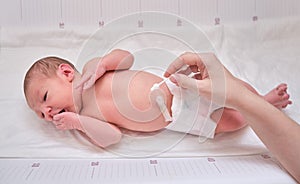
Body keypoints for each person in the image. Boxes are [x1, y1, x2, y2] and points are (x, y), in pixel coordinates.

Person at [23, 49, 291, 148]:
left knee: (232, 87)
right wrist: (76, 122)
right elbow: (112, 138)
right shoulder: (87, 116)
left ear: (67, 73)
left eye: (44, 97)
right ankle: (263, 109)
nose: (45, 111)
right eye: (40, 113)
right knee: (230, 122)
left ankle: (261, 100)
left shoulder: (95, 68)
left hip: (177, 87)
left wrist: (105, 63)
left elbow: (127, 58)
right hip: (177, 118)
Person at [163, 52, 299, 183]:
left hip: (180, 88)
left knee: (241, 89)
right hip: (183, 117)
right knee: (234, 121)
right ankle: (264, 102)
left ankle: (261, 100)